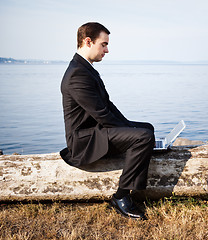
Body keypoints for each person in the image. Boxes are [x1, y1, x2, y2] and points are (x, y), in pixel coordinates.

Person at [60, 22, 155, 220]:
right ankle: (121, 197)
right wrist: (134, 135)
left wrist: (131, 127)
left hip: (97, 132)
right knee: (143, 137)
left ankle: (135, 178)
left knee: (146, 129)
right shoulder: (77, 73)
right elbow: (102, 115)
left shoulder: (86, 69)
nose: (107, 50)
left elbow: (108, 106)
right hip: (85, 141)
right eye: (103, 44)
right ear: (88, 41)